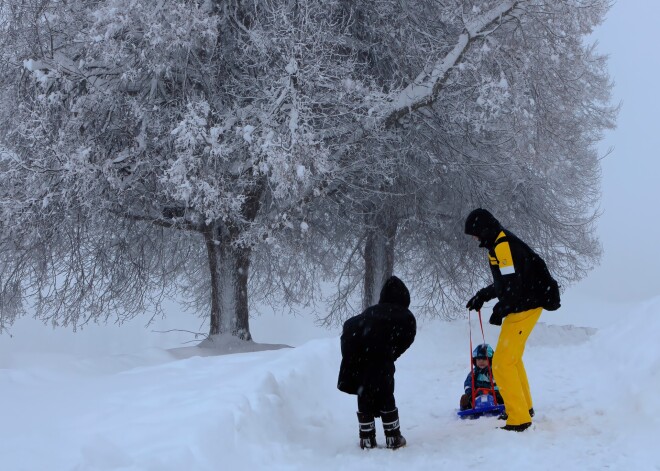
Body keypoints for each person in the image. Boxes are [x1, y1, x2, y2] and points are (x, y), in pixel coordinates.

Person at [464, 208, 560, 432]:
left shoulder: (502, 245)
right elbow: (505, 281)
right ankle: (524, 408)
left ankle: (519, 419)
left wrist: (501, 309)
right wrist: (483, 295)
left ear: (484, 230)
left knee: (501, 363)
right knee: (512, 359)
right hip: (525, 303)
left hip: (527, 305)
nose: (475, 239)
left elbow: (513, 284)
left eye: (475, 234)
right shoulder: (497, 243)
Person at [337, 275, 417, 449]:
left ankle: (366, 439)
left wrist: (353, 356)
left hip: (358, 354)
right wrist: (391, 354)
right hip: (380, 358)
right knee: (385, 394)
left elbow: (351, 328)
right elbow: (407, 338)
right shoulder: (404, 315)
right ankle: (393, 437)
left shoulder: (371, 312)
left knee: (363, 394)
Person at [459, 343, 504, 411]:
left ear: (490, 360)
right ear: (475, 360)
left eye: (484, 359)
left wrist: (496, 391)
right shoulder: (474, 372)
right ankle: (466, 406)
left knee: (502, 395)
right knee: (466, 397)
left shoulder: (494, 372)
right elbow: (468, 383)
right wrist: (469, 392)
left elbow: (499, 383)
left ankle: (503, 404)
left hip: (493, 395)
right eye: (478, 359)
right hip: (477, 396)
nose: (481, 361)